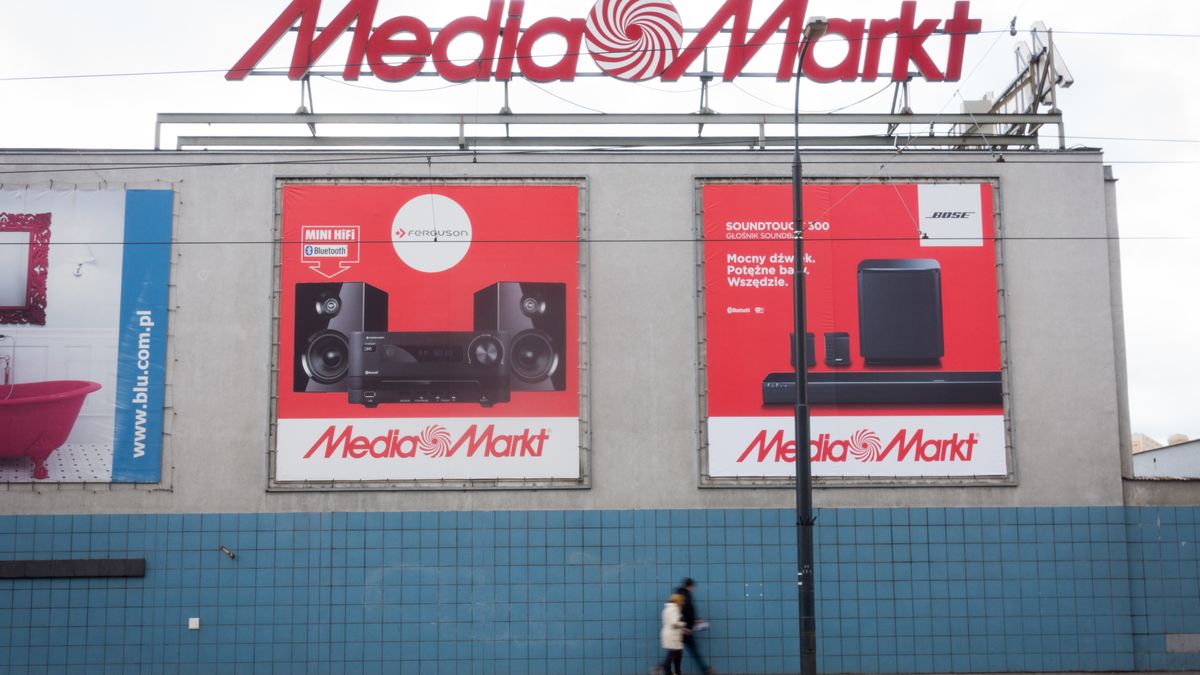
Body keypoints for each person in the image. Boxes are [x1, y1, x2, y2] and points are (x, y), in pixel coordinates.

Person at [677, 578, 715, 674]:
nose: (693, 589)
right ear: (689, 586)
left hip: (684, 628)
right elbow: (685, 612)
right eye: (693, 587)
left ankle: (705, 669)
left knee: (676, 651)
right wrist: (692, 622)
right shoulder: (684, 595)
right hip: (684, 629)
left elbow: (687, 612)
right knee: (689, 650)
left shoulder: (681, 594)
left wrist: (696, 620)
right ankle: (705, 669)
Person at [652, 593, 686, 675]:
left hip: (670, 634)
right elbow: (674, 623)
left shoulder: (667, 609)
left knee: (678, 653)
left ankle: (675, 672)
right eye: (681, 602)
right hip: (672, 635)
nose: (682, 604)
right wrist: (683, 624)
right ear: (678, 601)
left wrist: (682, 629)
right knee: (673, 653)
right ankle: (661, 668)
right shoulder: (674, 609)